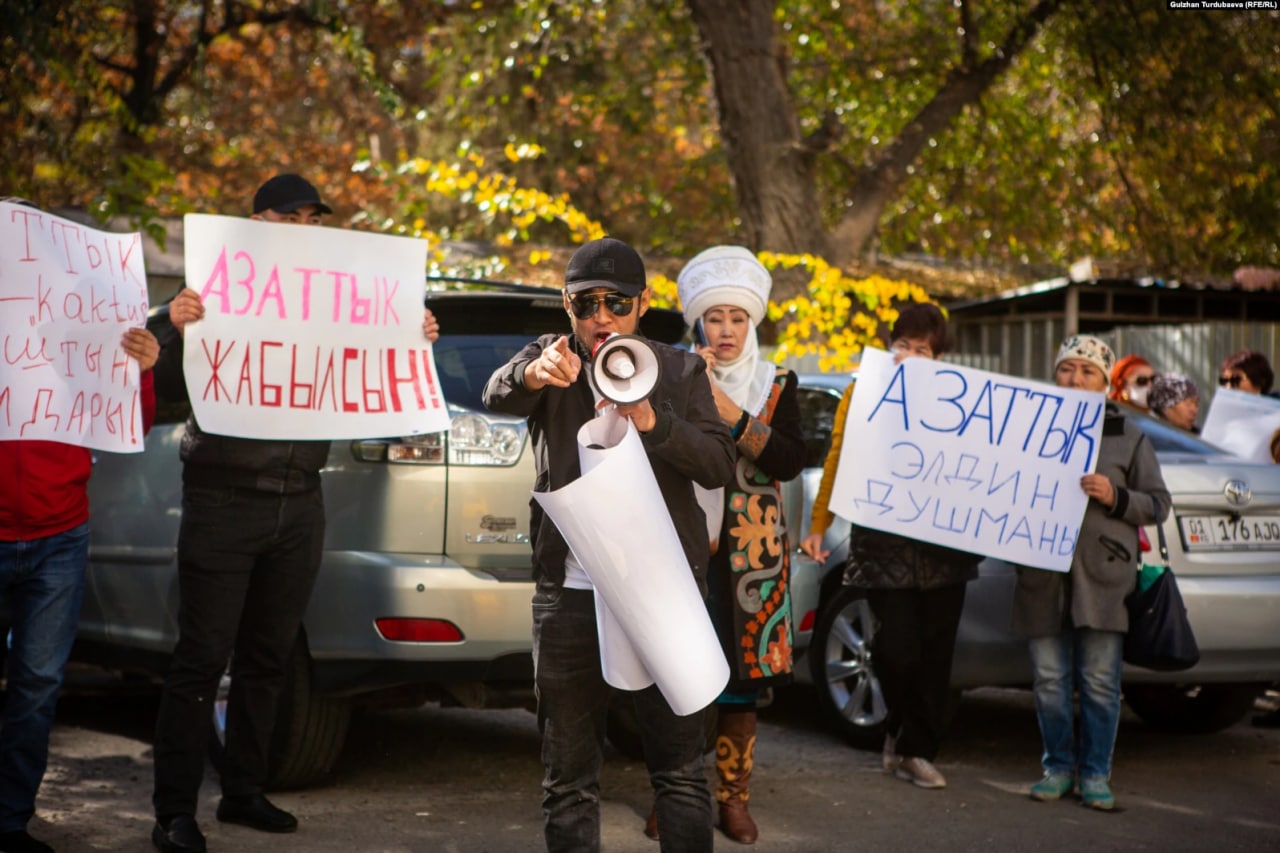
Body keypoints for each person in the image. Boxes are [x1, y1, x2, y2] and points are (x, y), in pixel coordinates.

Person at [148, 174, 440, 853]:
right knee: (200, 658)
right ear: (256, 219)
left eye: (314, 217)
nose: (304, 226)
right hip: (223, 498)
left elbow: (378, 365)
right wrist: (172, 323)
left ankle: (244, 791)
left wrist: (412, 330)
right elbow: (156, 377)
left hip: (300, 501)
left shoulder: (331, 303)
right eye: (291, 214)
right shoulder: (209, 292)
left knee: (268, 657)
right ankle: (173, 811)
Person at [482, 236, 735, 853]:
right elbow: (495, 394)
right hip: (568, 598)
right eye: (586, 303)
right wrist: (530, 373)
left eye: (617, 303)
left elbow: (719, 464)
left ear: (643, 303)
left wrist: (657, 423)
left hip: (662, 593)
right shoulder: (552, 357)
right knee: (568, 780)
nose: (601, 317)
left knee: (678, 774)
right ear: (566, 305)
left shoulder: (680, 370)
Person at [1, 194, 158, 853]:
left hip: (62, 531)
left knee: (38, 689)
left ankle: (9, 824)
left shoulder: (88, 324)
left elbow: (131, 422)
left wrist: (144, 368)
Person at [639, 246, 805, 845]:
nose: (726, 329)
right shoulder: (672, 372)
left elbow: (790, 459)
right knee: (680, 674)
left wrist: (734, 414)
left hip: (752, 559)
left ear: (753, 322)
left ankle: (732, 797)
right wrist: (693, 392)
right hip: (683, 545)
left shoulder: (778, 383)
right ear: (698, 323)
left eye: (737, 318)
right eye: (715, 318)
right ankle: (676, 793)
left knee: (740, 680)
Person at [799, 303, 982, 791]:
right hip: (882, 548)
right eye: (902, 346)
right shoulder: (865, 391)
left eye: (921, 349)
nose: (909, 356)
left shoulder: (964, 402)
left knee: (935, 657)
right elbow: (838, 455)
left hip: (946, 549)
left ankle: (916, 751)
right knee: (897, 651)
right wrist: (819, 526)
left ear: (939, 357)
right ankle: (900, 730)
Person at [1014, 335, 1171, 811]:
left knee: (1101, 683)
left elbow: (1159, 504)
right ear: (1054, 374)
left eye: (1088, 371)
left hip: (1104, 581)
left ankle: (1096, 774)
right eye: (1067, 369)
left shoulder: (1130, 436)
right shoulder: (1025, 429)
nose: (1075, 378)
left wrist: (1115, 496)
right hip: (1042, 577)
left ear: (1105, 383)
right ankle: (1057, 768)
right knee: (1048, 680)